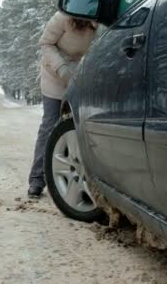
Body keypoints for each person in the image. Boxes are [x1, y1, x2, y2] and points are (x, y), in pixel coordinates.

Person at [28, 10, 98, 197]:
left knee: (76, 128)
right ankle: (37, 179)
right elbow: (45, 43)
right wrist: (62, 68)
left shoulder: (102, 22)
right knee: (51, 125)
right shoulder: (64, 17)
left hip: (80, 78)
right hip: (55, 77)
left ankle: (71, 179)